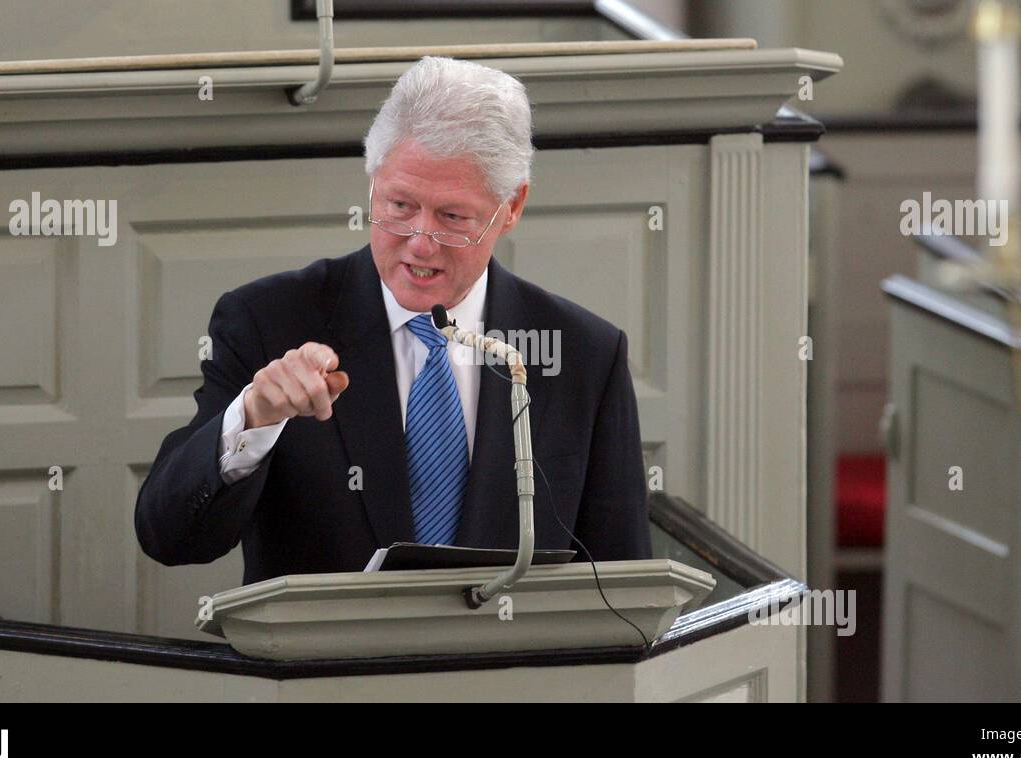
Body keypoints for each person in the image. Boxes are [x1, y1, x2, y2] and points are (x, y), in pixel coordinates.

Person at [135, 55, 650, 584]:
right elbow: (169, 538)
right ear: (372, 183)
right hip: (327, 663)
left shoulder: (584, 353)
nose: (420, 243)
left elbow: (620, 582)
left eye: (452, 217)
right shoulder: (268, 321)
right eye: (400, 205)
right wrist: (252, 419)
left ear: (512, 207)